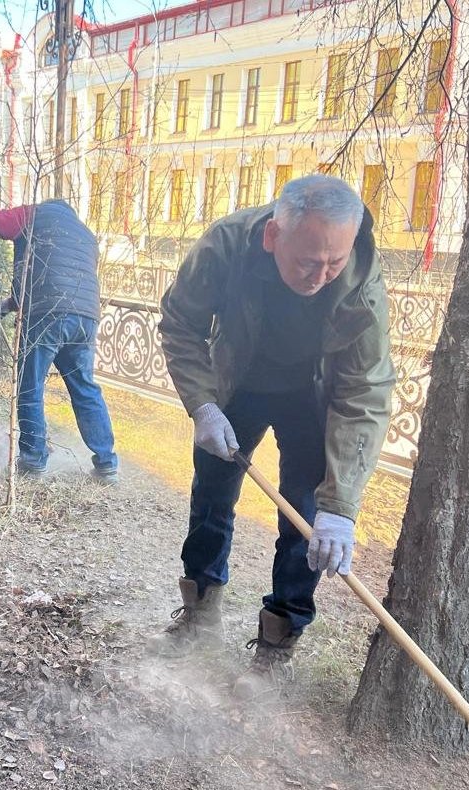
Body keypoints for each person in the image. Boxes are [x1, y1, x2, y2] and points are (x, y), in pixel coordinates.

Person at [151, 174, 394, 695]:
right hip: (236, 382)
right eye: (309, 262)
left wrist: (341, 506)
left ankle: (277, 643)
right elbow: (179, 322)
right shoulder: (227, 244)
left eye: (334, 262)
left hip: (313, 397)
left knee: (306, 517)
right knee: (212, 495)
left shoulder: (361, 282)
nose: (322, 275)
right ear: (272, 237)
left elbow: (366, 393)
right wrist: (203, 405)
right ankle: (200, 614)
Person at [0, 199, 118, 482]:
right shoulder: (85, 236)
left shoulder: (32, 215)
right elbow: (49, 277)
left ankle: (32, 459)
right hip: (85, 317)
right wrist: (5, 306)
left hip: (46, 314)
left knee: (30, 384)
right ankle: (106, 464)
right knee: (85, 388)